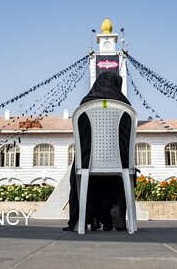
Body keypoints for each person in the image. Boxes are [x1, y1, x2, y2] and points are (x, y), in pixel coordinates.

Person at [63, 70, 134, 232]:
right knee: (122, 173)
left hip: (88, 161)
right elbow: (127, 138)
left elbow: (81, 137)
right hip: (119, 162)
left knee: (81, 173)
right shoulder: (124, 106)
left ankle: (92, 218)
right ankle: (117, 208)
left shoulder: (86, 104)